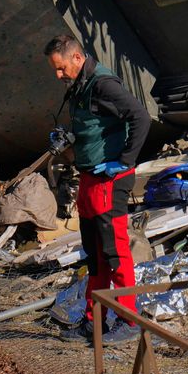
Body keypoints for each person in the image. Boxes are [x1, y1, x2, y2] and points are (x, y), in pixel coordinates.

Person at [45, 34, 150, 344]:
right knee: (96, 254)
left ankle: (130, 320)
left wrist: (125, 160)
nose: (58, 75)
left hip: (110, 180)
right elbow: (95, 126)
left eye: (62, 68)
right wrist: (68, 137)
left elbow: (140, 116)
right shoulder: (79, 87)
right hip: (91, 178)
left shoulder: (104, 84)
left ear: (77, 58)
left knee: (114, 251)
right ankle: (95, 321)